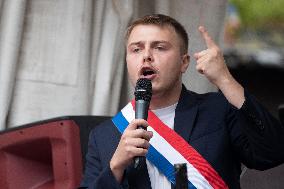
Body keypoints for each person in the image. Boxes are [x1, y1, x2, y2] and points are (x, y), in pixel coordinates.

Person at [79, 14, 284, 189]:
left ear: (184, 63)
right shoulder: (104, 136)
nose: (147, 56)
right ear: (127, 61)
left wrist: (224, 79)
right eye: (136, 49)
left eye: (159, 47)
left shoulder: (217, 110)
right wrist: (115, 168)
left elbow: (273, 151)